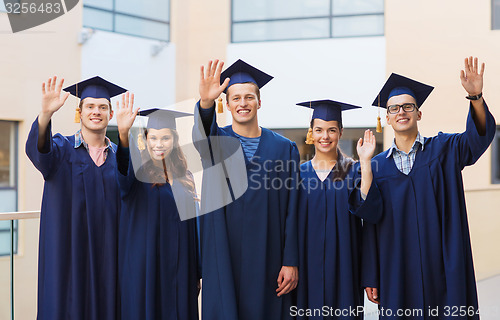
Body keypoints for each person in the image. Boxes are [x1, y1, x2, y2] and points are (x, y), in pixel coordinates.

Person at [362, 57, 496, 319]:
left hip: (444, 266)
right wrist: (371, 275)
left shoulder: (444, 150)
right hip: (397, 270)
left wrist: (476, 97)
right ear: (387, 118)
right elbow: (369, 225)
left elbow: (477, 139)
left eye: (408, 106)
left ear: (419, 113)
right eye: (394, 108)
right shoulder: (376, 167)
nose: (401, 112)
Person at [193, 59, 300, 320]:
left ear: (259, 102)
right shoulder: (217, 143)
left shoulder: (284, 148)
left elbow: (293, 208)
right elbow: (202, 135)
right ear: (226, 104)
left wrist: (291, 260)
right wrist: (206, 104)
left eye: (249, 97)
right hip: (223, 254)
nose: (243, 103)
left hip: (269, 255)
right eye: (236, 98)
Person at [26, 76, 126, 319]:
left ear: (110, 114)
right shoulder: (61, 150)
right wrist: (45, 115)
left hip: (110, 259)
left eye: (103, 107)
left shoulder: (120, 159)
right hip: (69, 256)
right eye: (90, 106)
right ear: (79, 113)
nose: (96, 112)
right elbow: (39, 152)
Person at [295, 100, 382, 320]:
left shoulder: (352, 170)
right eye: (319, 130)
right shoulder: (299, 174)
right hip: (306, 269)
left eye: (332, 130)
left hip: (345, 267)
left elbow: (369, 211)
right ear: (311, 132)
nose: (325, 136)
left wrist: (365, 162)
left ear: (340, 132)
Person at [115, 99, 200, 320]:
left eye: (165, 138)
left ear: (174, 140)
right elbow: (122, 174)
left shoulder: (185, 176)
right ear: (145, 140)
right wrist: (124, 135)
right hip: (147, 267)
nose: (158, 144)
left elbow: (192, 226)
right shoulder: (137, 174)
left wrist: (196, 271)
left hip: (181, 267)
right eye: (153, 138)